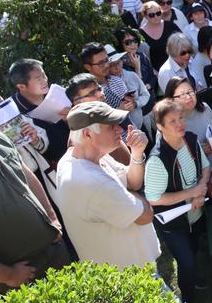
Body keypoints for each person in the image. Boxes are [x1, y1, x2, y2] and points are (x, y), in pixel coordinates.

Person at [56, 102, 160, 269]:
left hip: (133, 266)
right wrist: (130, 194)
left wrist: (137, 153)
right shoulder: (92, 182)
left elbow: (132, 182)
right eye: (111, 126)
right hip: (130, 276)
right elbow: (146, 215)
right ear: (87, 134)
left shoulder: (85, 156)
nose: (120, 129)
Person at [144, 99, 210, 303]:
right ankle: (188, 301)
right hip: (174, 223)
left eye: (181, 117)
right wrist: (192, 192)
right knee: (186, 261)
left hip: (197, 212)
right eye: (172, 121)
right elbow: (154, 198)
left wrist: (202, 189)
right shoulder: (157, 159)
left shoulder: (190, 139)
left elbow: (205, 167)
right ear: (160, 127)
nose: (180, 123)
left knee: (197, 249)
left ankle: (199, 282)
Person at [0, 131, 70, 293]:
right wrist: (7, 275)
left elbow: (28, 178)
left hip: (54, 250)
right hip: (19, 278)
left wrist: (52, 218)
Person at [164, 77, 212, 169]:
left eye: (190, 92)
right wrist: (199, 152)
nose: (189, 97)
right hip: (191, 176)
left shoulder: (204, 108)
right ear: (171, 100)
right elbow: (170, 155)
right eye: (182, 94)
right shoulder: (168, 124)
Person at [139, 1, 181, 71]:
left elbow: (183, 43)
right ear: (146, 16)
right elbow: (143, 57)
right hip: (156, 72)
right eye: (152, 15)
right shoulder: (141, 33)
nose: (156, 17)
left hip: (177, 67)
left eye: (158, 13)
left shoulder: (170, 26)